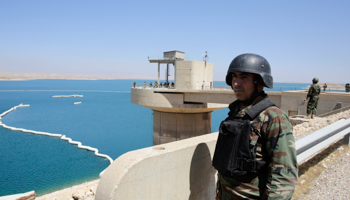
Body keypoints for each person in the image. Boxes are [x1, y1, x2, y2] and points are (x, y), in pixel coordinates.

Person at [212, 53, 298, 200]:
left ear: (260, 83)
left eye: (244, 77)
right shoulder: (236, 113)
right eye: (234, 76)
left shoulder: (273, 117)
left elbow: (284, 176)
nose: (236, 83)